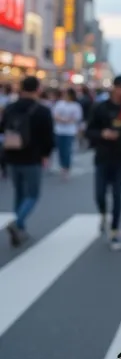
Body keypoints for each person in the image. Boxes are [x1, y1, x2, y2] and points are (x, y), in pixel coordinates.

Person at [0, 76, 54, 246]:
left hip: (12, 154)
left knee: (19, 192)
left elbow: (2, 128)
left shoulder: (9, 108)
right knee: (32, 194)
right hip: (33, 157)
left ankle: (20, 228)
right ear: (37, 89)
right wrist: (46, 155)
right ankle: (18, 223)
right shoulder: (42, 111)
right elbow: (48, 137)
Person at [86, 75, 121, 250]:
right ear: (114, 87)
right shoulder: (100, 107)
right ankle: (102, 214)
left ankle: (115, 231)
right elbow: (89, 130)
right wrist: (103, 134)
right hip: (102, 156)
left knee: (117, 195)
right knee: (100, 194)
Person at [53, 87, 83, 177]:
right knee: (60, 149)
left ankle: (66, 167)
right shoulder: (59, 104)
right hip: (59, 130)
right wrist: (62, 119)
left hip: (70, 131)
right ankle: (62, 165)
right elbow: (55, 115)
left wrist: (68, 120)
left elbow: (77, 118)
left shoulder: (76, 106)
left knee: (67, 149)